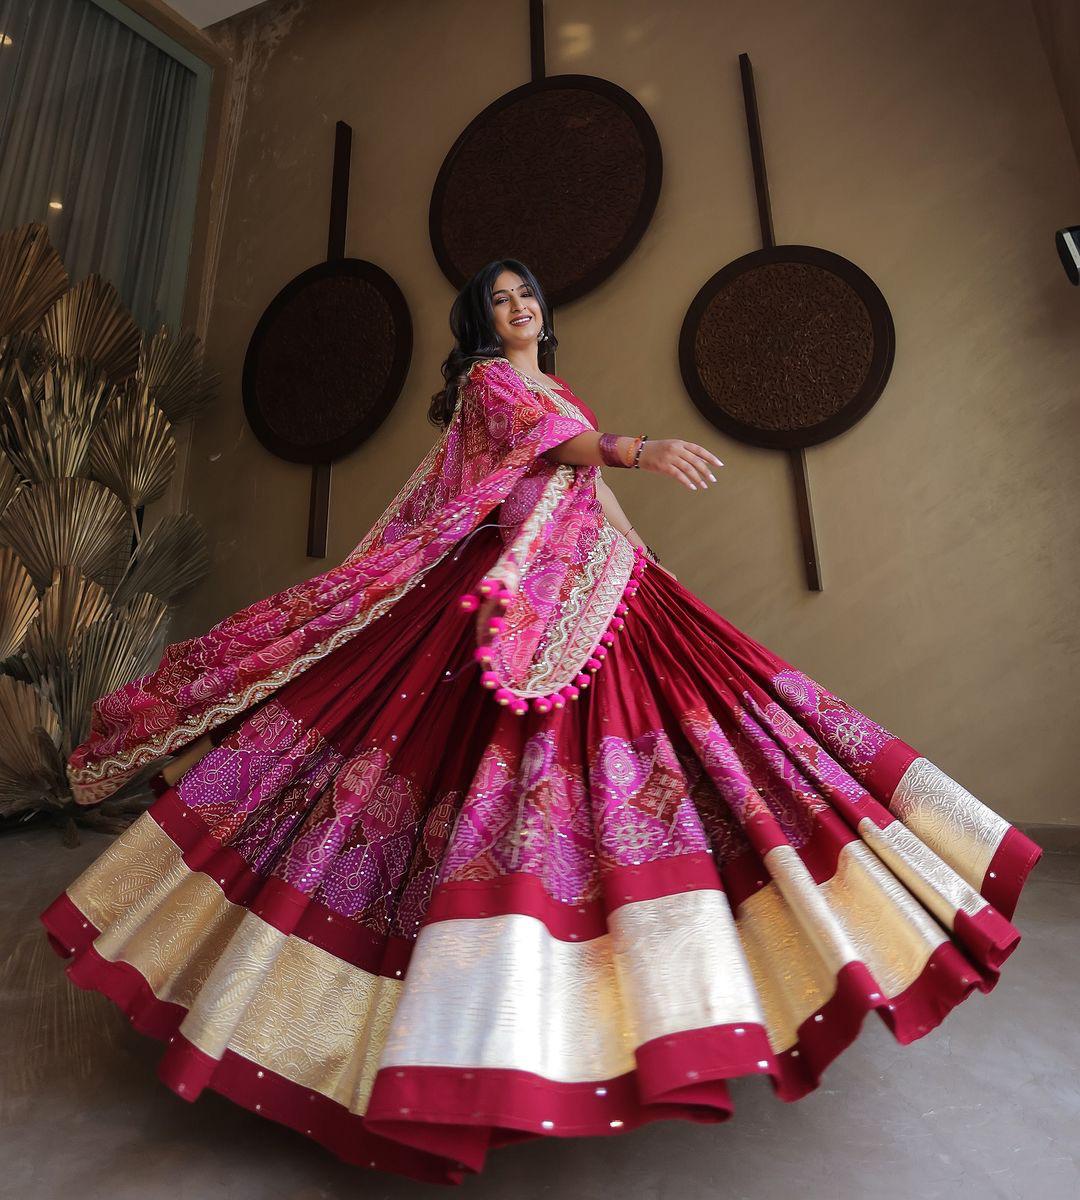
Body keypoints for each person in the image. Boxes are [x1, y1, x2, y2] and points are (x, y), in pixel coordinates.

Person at [41, 258, 1042, 1186]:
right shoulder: (492, 387)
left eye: (526, 297)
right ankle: (416, 1017)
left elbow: (585, 489)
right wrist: (637, 445)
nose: (518, 309)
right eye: (500, 300)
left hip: (594, 590)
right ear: (480, 324)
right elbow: (561, 450)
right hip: (503, 602)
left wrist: (649, 564)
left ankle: (650, 994)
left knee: (690, 759)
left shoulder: (558, 393)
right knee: (439, 776)